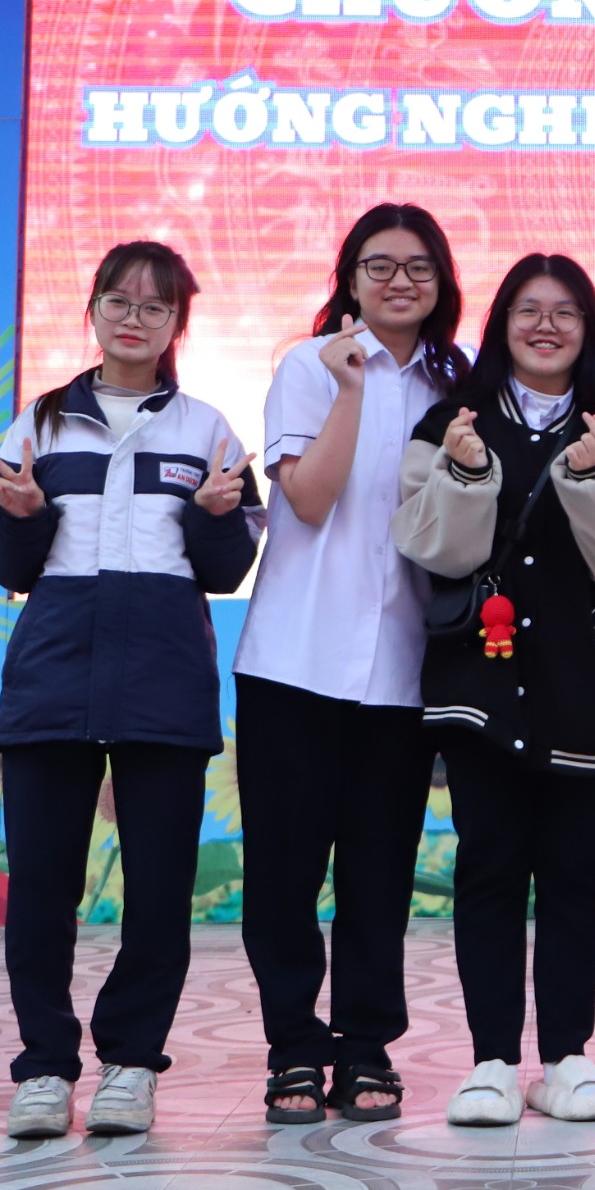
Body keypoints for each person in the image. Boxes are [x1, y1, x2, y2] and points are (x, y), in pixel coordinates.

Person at [0, 241, 263, 1140]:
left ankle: (133, 1064)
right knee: (41, 889)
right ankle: (43, 1067)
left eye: (155, 305)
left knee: (159, 890)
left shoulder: (208, 431)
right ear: (94, 308)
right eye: (119, 301)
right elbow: (6, 565)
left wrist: (214, 520)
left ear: (178, 322)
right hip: (52, 683)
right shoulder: (37, 425)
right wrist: (25, 519)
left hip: (163, 689)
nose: (134, 318)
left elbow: (227, 568)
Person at [393, 253, 595, 1125]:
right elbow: (433, 549)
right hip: (479, 686)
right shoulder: (449, 421)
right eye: (527, 309)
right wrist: (466, 473)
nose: (545, 326)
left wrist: (594, 477)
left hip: (584, 686)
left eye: (565, 312)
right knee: (488, 869)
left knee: (575, 875)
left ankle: (567, 1058)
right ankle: (489, 1061)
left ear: (589, 330)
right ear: (501, 322)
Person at [234, 205, 469, 1125]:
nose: (400, 281)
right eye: (381, 265)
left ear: (442, 281)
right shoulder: (310, 365)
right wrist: (350, 390)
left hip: (404, 668)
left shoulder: (457, 382)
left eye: (419, 267)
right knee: (285, 873)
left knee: (380, 873)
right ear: (351, 276)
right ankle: (294, 1045)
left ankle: (367, 1045)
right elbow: (310, 498)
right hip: (294, 660)